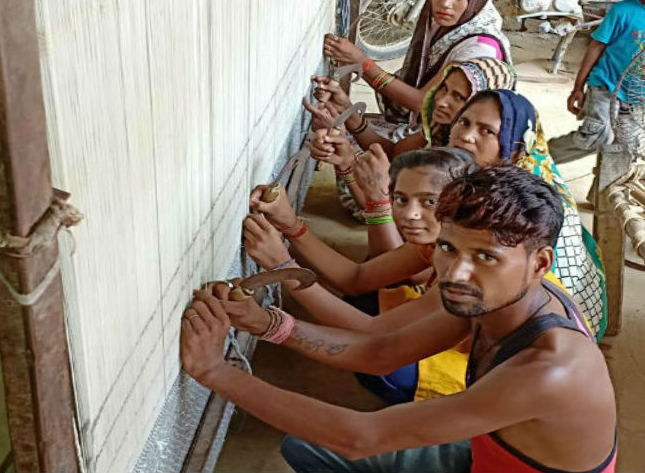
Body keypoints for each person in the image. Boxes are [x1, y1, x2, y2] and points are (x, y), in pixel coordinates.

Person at [181, 166, 617, 473]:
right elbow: (380, 350)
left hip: (486, 459)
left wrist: (214, 371)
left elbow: (361, 438)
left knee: (338, 443)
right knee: (309, 446)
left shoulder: (550, 372)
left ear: (540, 263)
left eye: (486, 256)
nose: (456, 272)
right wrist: (265, 323)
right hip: (483, 457)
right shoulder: (491, 297)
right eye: (447, 248)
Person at [244, 148, 477, 403]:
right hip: (439, 334)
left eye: (429, 202)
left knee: (389, 368)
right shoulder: (440, 242)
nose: (410, 214)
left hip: (468, 376)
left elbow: (373, 332)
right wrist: (289, 224)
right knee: (366, 298)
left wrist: (282, 267)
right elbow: (356, 278)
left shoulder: (467, 272)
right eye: (401, 199)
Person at [449, 90, 607, 338]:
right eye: (463, 122)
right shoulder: (462, 179)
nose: (466, 136)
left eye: (487, 131)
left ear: (515, 148)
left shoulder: (525, 209)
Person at [308, 57, 515, 221]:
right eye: (444, 88)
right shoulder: (443, 130)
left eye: (459, 97)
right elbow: (394, 153)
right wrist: (347, 110)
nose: (442, 101)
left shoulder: (475, 179)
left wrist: (347, 162)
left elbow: (384, 210)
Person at [322, 0, 510, 130]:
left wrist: (362, 63)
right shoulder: (447, 22)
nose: (445, 3)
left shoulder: (479, 49)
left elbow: (422, 103)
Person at [548, 0, 645, 164]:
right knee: (596, 137)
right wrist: (578, 87)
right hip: (607, 86)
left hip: (640, 97)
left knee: (624, 149)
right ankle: (535, 158)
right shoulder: (622, 12)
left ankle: (606, 187)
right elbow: (596, 47)